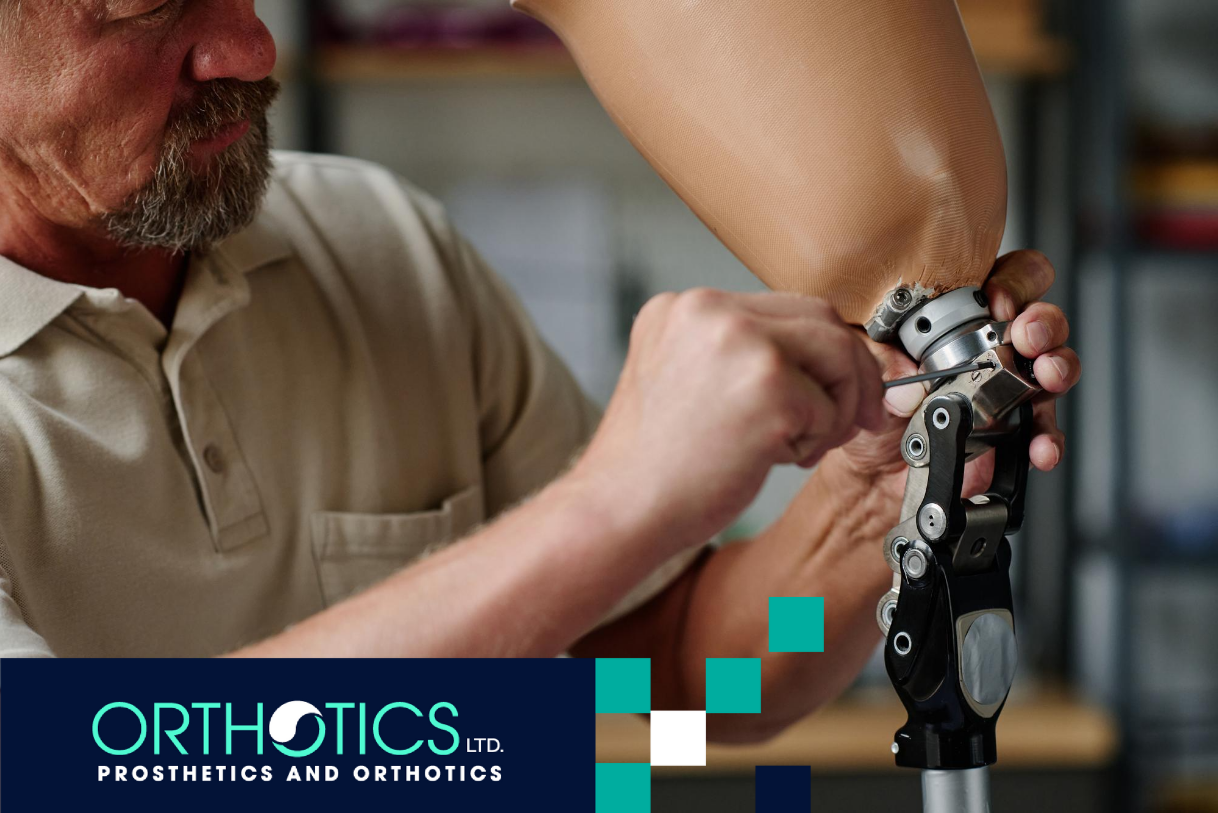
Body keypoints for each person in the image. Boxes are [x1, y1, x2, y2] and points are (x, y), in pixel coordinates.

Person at [0, 1, 1078, 741]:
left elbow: (691, 678)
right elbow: (80, 773)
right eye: (147, 6)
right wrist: (613, 505)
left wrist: (874, 501)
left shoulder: (380, 248)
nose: (249, 44)